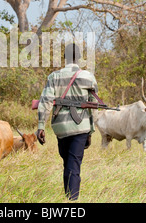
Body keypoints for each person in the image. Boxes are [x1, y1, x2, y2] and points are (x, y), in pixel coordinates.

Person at [36, 43, 98, 201]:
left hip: (61, 127)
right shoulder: (88, 77)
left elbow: (45, 102)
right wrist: (91, 131)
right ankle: (73, 201)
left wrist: (41, 126)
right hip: (81, 126)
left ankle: (68, 198)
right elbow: (93, 106)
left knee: (68, 163)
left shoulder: (54, 76)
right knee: (74, 164)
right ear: (79, 58)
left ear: (64, 58)